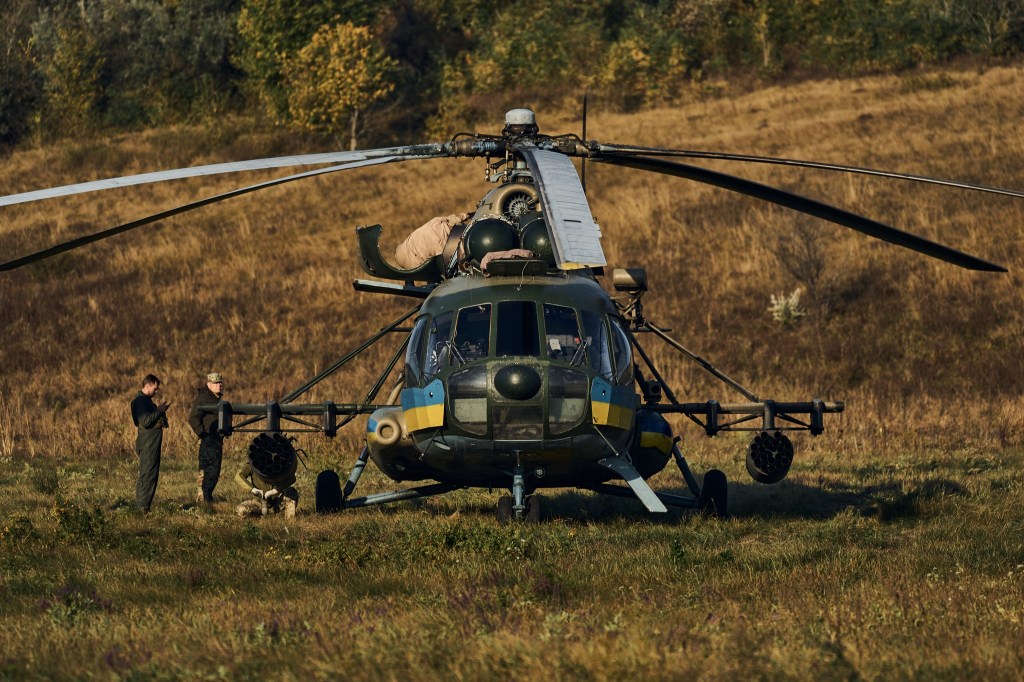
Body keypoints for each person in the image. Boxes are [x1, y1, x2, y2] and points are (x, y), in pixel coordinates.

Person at [130, 374, 170, 513]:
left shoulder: (146, 401)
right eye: (155, 388)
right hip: (148, 443)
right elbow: (145, 421)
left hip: (151, 442)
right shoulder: (140, 401)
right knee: (147, 475)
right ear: (147, 386)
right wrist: (158, 411)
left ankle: (145, 507)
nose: (156, 391)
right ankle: (142, 508)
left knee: (151, 474)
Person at [188, 372, 225, 505]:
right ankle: (204, 497)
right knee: (207, 469)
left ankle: (207, 496)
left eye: (220, 383)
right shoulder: (203, 398)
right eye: (216, 383)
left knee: (215, 469)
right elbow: (193, 418)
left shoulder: (217, 399)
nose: (219, 385)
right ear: (209, 384)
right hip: (208, 440)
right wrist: (202, 434)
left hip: (217, 439)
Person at [394, 212, 471, 270]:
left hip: (402, 250)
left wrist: (468, 215)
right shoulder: (441, 244)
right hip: (410, 259)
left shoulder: (437, 221)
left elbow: (458, 218)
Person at [234, 459, 299, 518]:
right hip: (258, 503)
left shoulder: (279, 463)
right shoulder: (253, 465)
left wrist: (276, 490)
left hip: (278, 502)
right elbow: (238, 476)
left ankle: (290, 521)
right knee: (241, 510)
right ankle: (257, 517)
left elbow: (291, 477)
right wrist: (253, 489)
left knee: (291, 492)